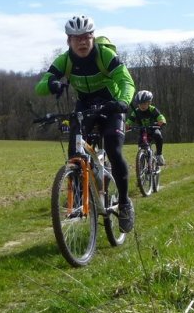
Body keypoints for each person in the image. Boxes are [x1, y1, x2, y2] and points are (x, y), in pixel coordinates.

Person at [35, 15, 136, 232]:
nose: (82, 42)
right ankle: (80, 196)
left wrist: (123, 102)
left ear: (93, 37)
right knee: (75, 150)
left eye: (86, 37)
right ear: (69, 41)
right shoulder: (65, 60)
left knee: (113, 147)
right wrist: (52, 84)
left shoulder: (105, 55)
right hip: (85, 106)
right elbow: (40, 85)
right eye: (76, 38)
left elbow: (126, 81)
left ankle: (125, 203)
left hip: (111, 107)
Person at [128, 90, 167, 165]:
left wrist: (162, 121)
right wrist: (126, 125)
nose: (142, 106)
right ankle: (141, 163)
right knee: (141, 144)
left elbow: (160, 116)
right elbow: (130, 120)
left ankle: (159, 154)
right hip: (143, 131)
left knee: (158, 136)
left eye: (144, 103)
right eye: (140, 104)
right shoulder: (136, 112)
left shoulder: (152, 109)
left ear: (149, 102)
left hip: (153, 129)